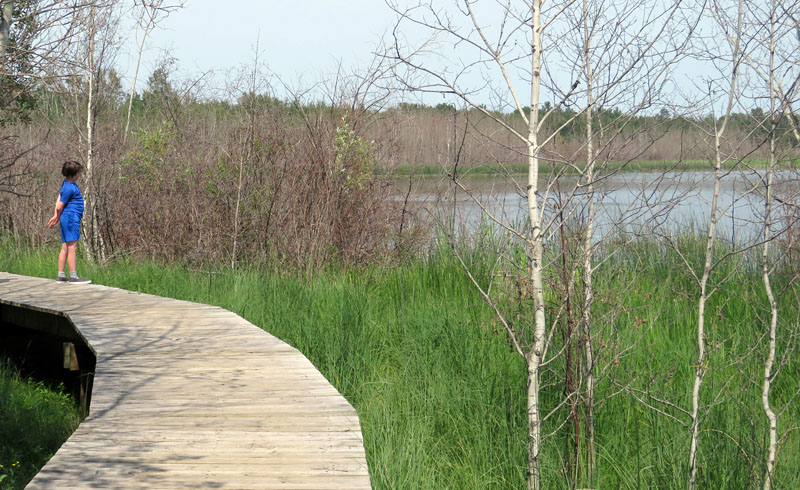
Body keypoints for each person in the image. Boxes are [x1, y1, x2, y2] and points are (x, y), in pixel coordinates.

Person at [47, 161, 91, 284]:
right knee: (72, 246)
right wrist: (56, 215)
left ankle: (61, 275)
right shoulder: (70, 188)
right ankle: (73, 276)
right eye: (78, 173)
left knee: (65, 246)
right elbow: (60, 205)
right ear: (74, 174)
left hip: (67, 218)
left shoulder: (66, 184)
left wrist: (57, 216)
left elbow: (59, 197)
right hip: (71, 218)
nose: (80, 175)